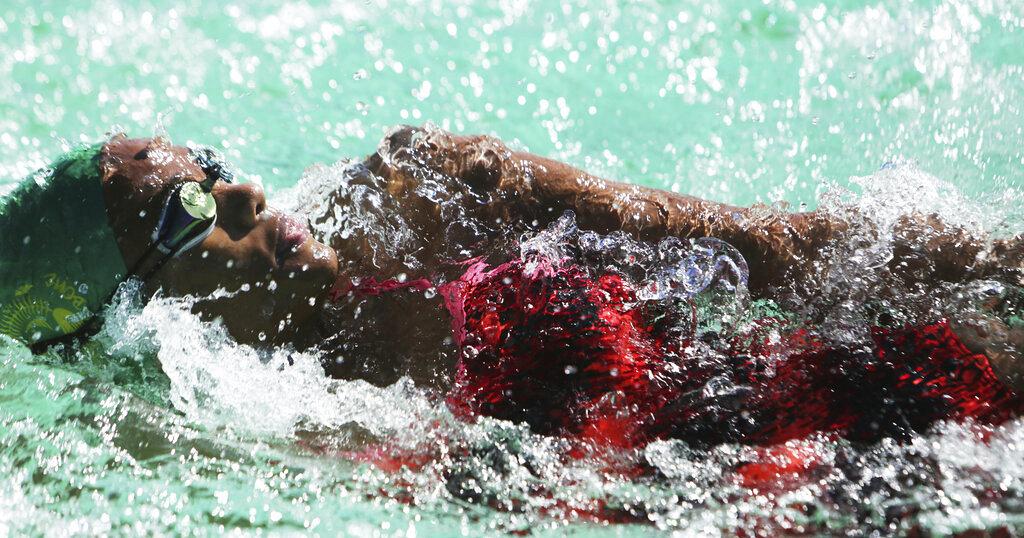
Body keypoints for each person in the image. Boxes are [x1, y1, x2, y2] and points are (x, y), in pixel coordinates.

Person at [1, 125, 1022, 448]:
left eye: (213, 165)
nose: (243, 193)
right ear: (135, 316)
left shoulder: (426, 192)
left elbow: (779, 250)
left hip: (893, 385)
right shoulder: (228, 431)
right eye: (185, 213)